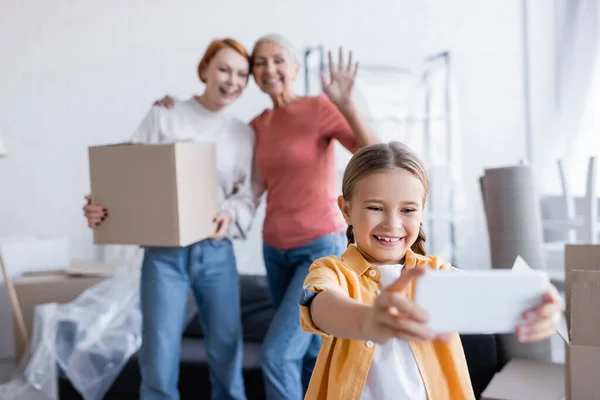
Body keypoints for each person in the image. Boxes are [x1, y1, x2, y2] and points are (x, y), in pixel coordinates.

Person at [154, 34, 379, 399]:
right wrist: (173, 108)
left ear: (293, 66)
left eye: (277, 60)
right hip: (274, 250)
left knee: (277, 354)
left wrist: (347, 106)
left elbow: (373, 155)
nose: (268, 68)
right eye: (260, 62)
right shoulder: (257, 125)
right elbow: (242, 184)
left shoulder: (321, 108)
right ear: (253, 76)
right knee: (309, 351)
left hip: (318, 248)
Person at [299, 141, 565, 399]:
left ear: (421, 212)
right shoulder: (332, 271)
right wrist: (367, 321)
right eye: (375, 208)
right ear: (346, 210)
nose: (392, 224)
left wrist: (538, 302)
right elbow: (321, 306)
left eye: (407, 210)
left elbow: (491, 299)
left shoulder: (438, 275)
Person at [84, 38, 255, 400]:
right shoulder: (165, 114)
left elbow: (246, 195)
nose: (232, 80)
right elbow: (126, 176)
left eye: (242, 74)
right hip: (164, 255)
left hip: (216, 251)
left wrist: (231, 214)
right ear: (205, 69)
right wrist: (99, 205)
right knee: (159, 357)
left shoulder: (243, 133)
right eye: (224, 69)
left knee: (227, 353)